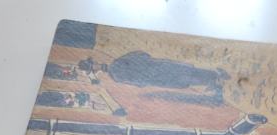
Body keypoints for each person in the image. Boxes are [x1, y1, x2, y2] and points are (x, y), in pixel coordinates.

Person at [78, 53, 229, 105]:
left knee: (184, 76)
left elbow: (138, 83)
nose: (96, 65)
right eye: (93, 65)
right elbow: (140, 55)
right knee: (185, 73)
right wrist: (147, 64)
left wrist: (146, 76)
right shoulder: (116, 67)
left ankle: (214, 78)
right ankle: (215, 76)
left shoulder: (115, 75)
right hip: (156, 69)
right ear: (95, 68)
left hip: (155, 75)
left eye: (93, 64)